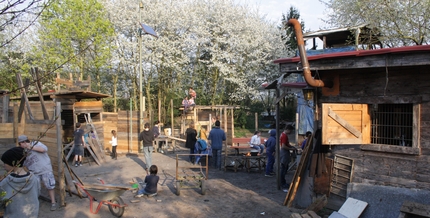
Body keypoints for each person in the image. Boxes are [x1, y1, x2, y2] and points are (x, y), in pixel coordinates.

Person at [18, 135, 58, 211]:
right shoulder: (23, 151)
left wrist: (31, 147)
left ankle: (53, 202)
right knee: (35, 188)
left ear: (24, 142)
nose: (21, 145)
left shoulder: (36, 143)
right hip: (34, 171)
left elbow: (44, 149)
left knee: (50, 186)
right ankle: (35, 203)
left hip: (45, 169)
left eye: (21, 144)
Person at [0, 147, 40, 217]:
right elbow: (37, 194)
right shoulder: (34, 179)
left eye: (5, 162)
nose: (3, 165)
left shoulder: (5, 183)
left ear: (12, 162)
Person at [280, 125, 297, 193]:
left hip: (285, 152)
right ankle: (282, 183)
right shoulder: (284, 136)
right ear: (287, 129)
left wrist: (291, 146)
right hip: (284, 153)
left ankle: (283, 182)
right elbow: (283, 146)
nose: (290, 132)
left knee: (285, 168)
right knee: (284, 168)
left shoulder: (283, 135)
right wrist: (291, 148)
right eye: (290, 130)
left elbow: (286, 144)